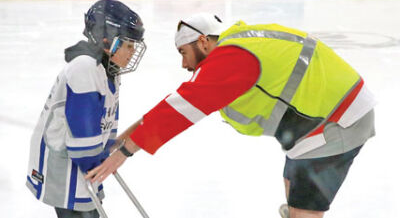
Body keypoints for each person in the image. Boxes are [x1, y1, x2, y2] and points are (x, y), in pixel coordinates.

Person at [86, 13, 376, 218]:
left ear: (203, 42)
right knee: (293, 180)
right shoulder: (238, 44)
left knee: (305, 207)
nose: (184, 63)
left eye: (183, 52)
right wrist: (120, 139)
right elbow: (177, 100)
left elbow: (182, 109)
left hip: (337, 122)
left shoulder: (232, 58)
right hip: (325, 117)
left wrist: (124, 151)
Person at [26, 0, 146, 218]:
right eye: (128, 45)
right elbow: (82, 135)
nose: (132, 52)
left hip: (83, 163)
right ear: (106, 39)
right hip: (64, 166)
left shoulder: (109, 70)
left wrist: (107, 152)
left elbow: (104, 121)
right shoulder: (85, 68)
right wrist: (99, 161)